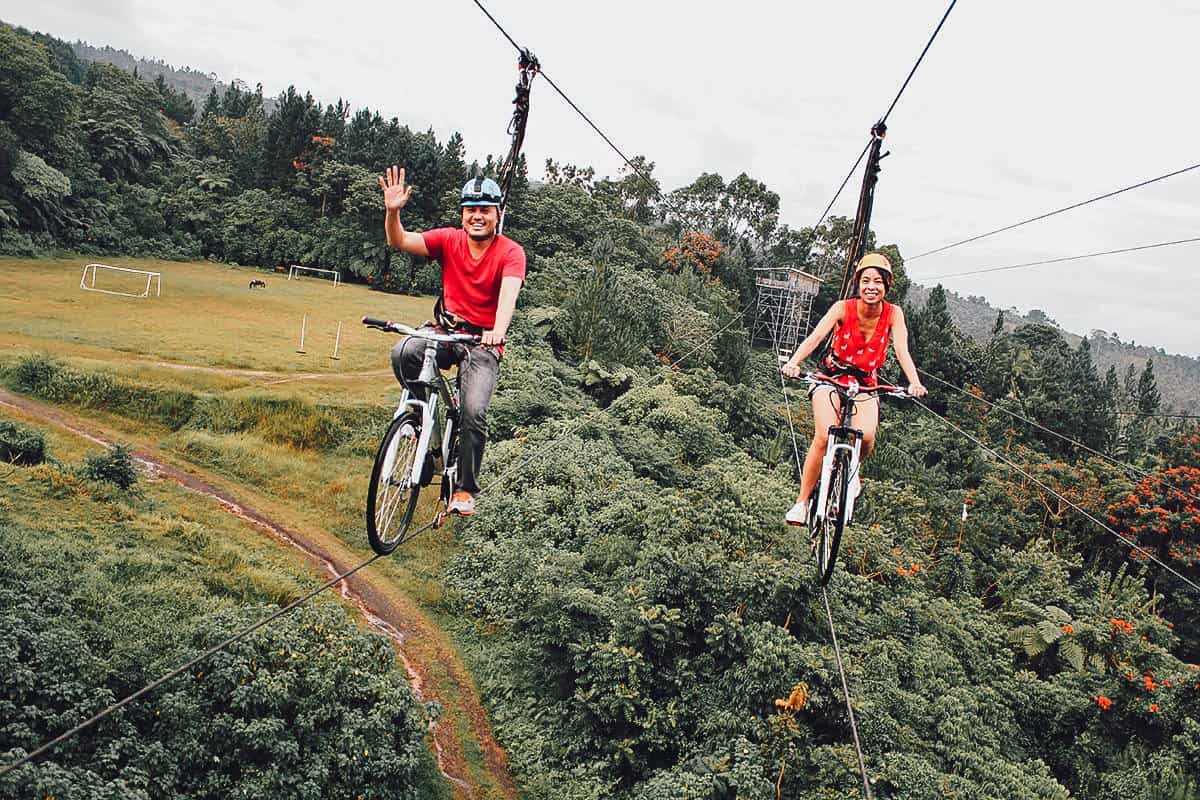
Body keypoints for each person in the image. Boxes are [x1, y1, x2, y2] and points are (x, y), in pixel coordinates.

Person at [379, 166, 526, 516]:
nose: (477, 216)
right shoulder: (448, 240)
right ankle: (418, 428)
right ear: (462, 214)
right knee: (404, 353)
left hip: (481, 342)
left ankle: (464, 488)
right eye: (470, 209)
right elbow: (398, 240)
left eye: (485, 210)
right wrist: (393, 211)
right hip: (446, 330)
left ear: (497, 215)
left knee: (473, 412)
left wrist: (497, 330)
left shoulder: (510, 253)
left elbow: (508, 297)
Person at [780, 252, 927, 525]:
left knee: (867, 436)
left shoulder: (894, 314)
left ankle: (851, 472)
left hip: (865, 382)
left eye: (878, 282)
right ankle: (802, 502)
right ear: (858, 284)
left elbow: (902, 350)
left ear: (886, 286)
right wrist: (794, 363)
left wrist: (914, 382)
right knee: (824, 436)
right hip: (832, 377)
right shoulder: (842, 308)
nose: (871, 287)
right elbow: (815, 337)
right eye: (866, 281)